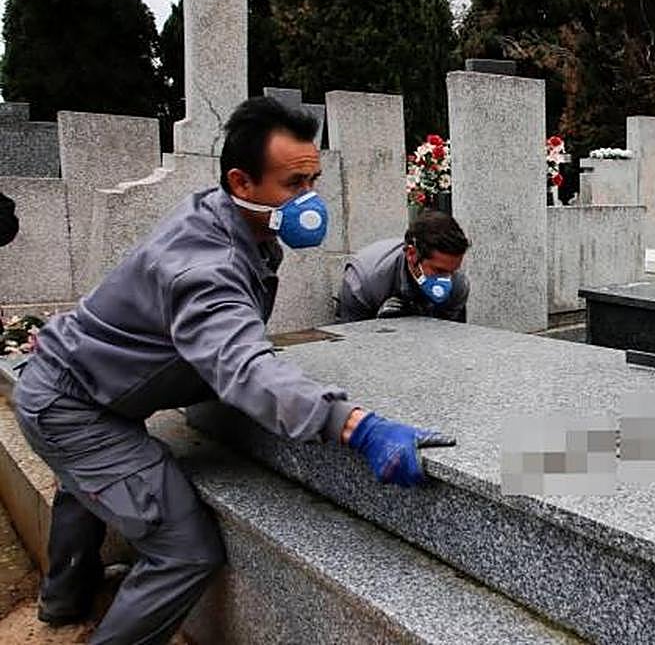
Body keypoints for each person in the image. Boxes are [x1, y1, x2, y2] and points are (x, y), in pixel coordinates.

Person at [12, 96, 452, 645]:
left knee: (85, 484)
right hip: (72, 408)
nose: (310, 201)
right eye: (294, 186)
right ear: (242, 182)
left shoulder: (231, 219)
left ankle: (62, 601)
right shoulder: (208, 266)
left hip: (78, 383)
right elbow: (241, 366)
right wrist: (357, 426)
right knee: (184, 548)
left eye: (314, 181)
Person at [337, 210, 471, 323]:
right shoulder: (362, 283)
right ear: (412, 255)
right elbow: (352, 344)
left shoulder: (458, 284)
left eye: (452, 271)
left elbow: (452, 341)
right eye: (439, 271)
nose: (446, 279)